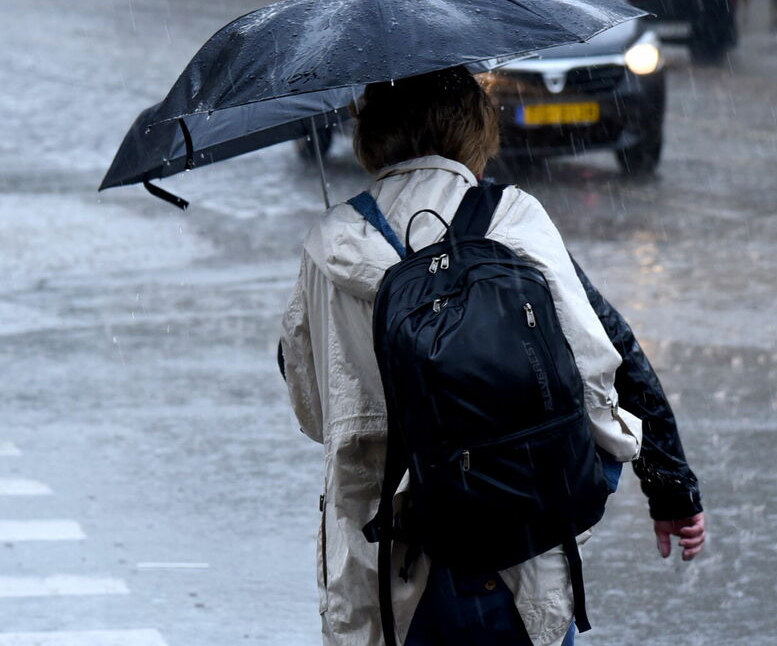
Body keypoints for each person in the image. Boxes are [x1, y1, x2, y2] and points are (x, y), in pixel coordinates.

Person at [279, 67, 704, 645]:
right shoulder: (512, 217)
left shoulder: (328, 243)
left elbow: (313, 413)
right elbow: (597, 365)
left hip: (389, 563)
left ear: (372, 131)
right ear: (474, 126)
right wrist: (649, 479)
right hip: (518, 549)